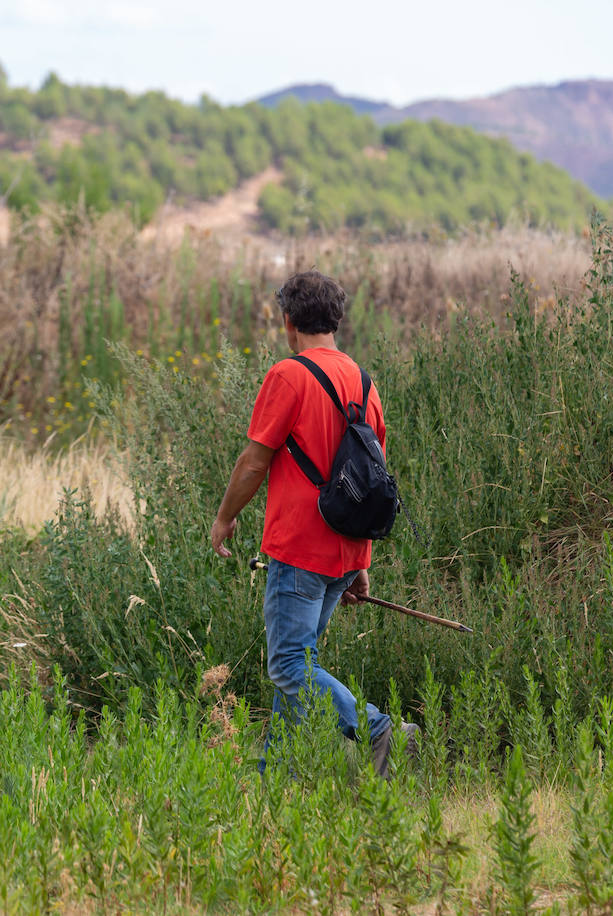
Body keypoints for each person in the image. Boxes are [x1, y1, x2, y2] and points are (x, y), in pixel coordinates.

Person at [208, 270, 416, 778]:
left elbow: (255, 461)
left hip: (299, 550)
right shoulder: (365, 382)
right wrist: (360, 561)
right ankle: (271, 776)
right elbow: (374, 479)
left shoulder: (288, 376)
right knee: (300, 663)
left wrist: (225, 517)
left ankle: (377, 730)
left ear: (288, 321)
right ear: (336, 319)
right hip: (342, 554)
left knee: (288, 665)